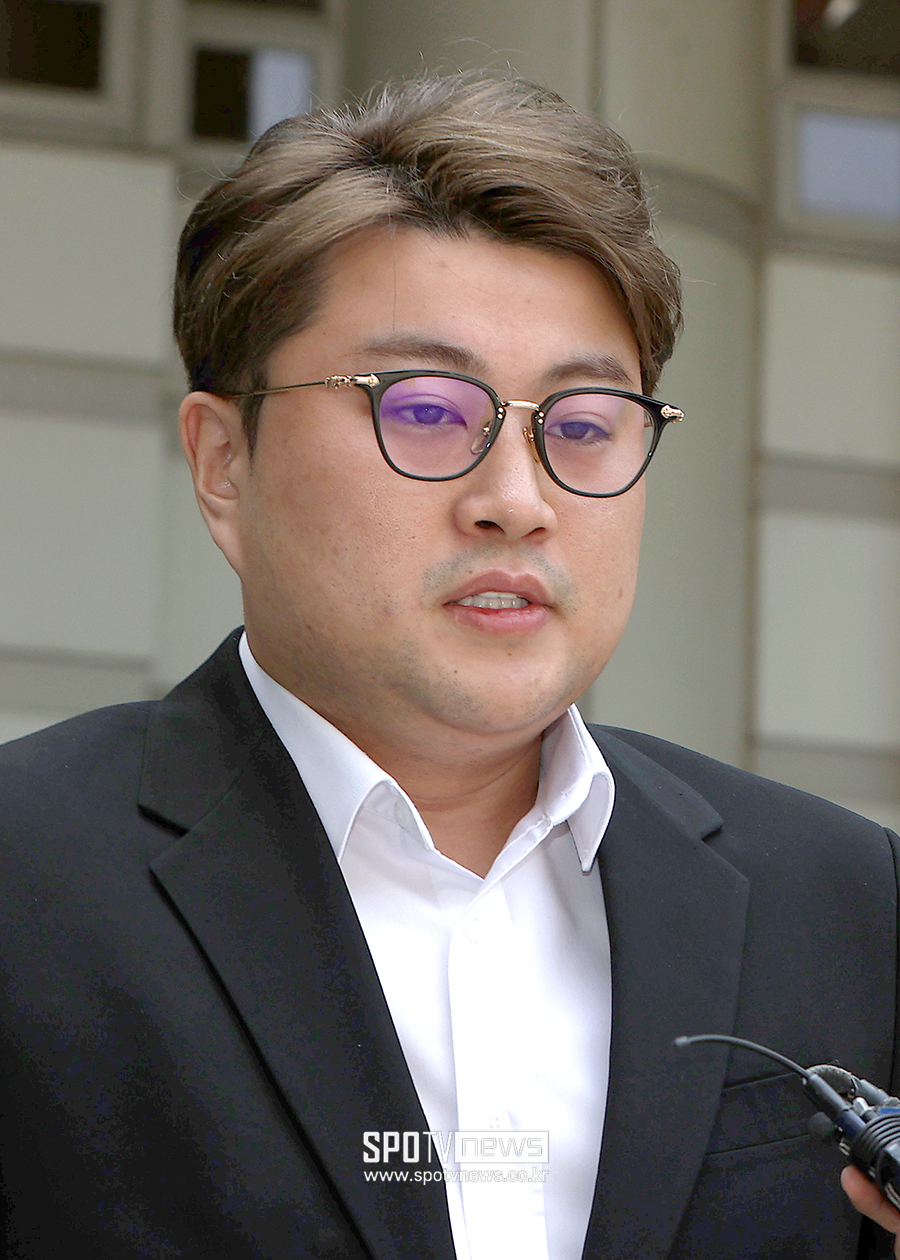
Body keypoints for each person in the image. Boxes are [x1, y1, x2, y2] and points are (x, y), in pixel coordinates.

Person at [0, 72, 898, 1260]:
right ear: (224, 463)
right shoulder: (26, 881)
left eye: (583, 425)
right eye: (424, 411)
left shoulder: (842, 901)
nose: (516, 501)